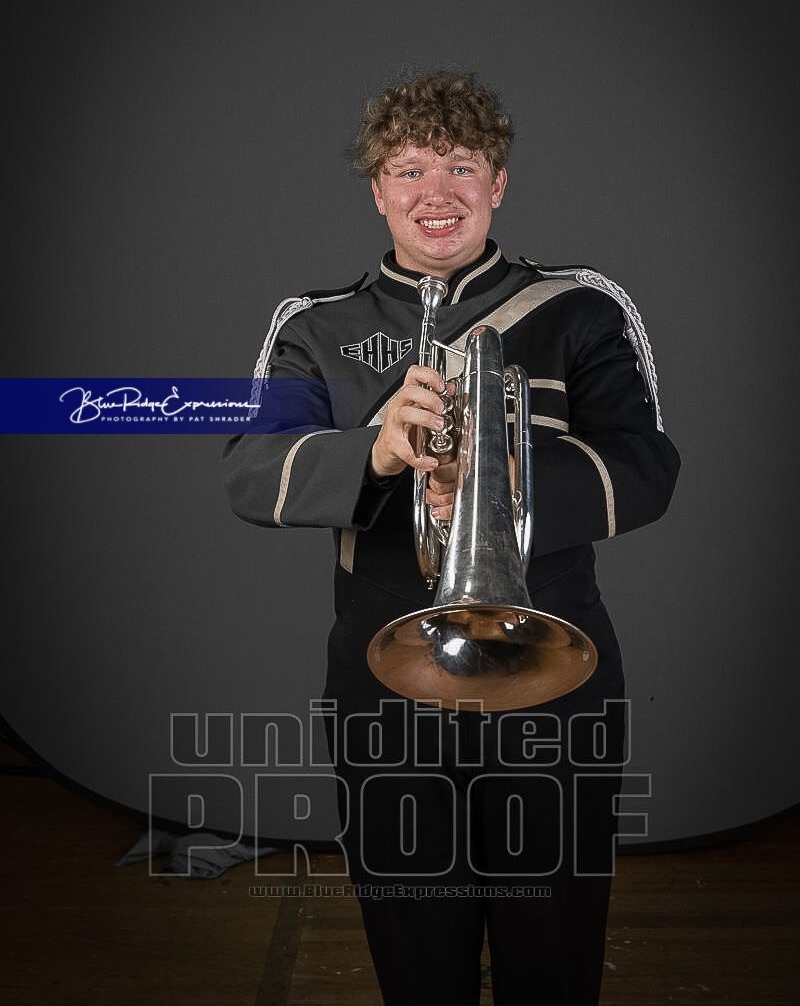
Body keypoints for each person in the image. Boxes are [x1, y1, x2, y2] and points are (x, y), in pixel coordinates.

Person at [222, 70, 680, 1005]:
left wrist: (503, 473)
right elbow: (249, 470)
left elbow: (646, 465)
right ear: (378, 190)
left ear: (498, 182)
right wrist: (377, 453)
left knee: (554, 947)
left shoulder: (581, 310)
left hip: (553, 673)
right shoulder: (316, 328)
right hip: (383, 679)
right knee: (414, 951)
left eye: (462, 166)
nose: (437, 193)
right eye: (409, 169)